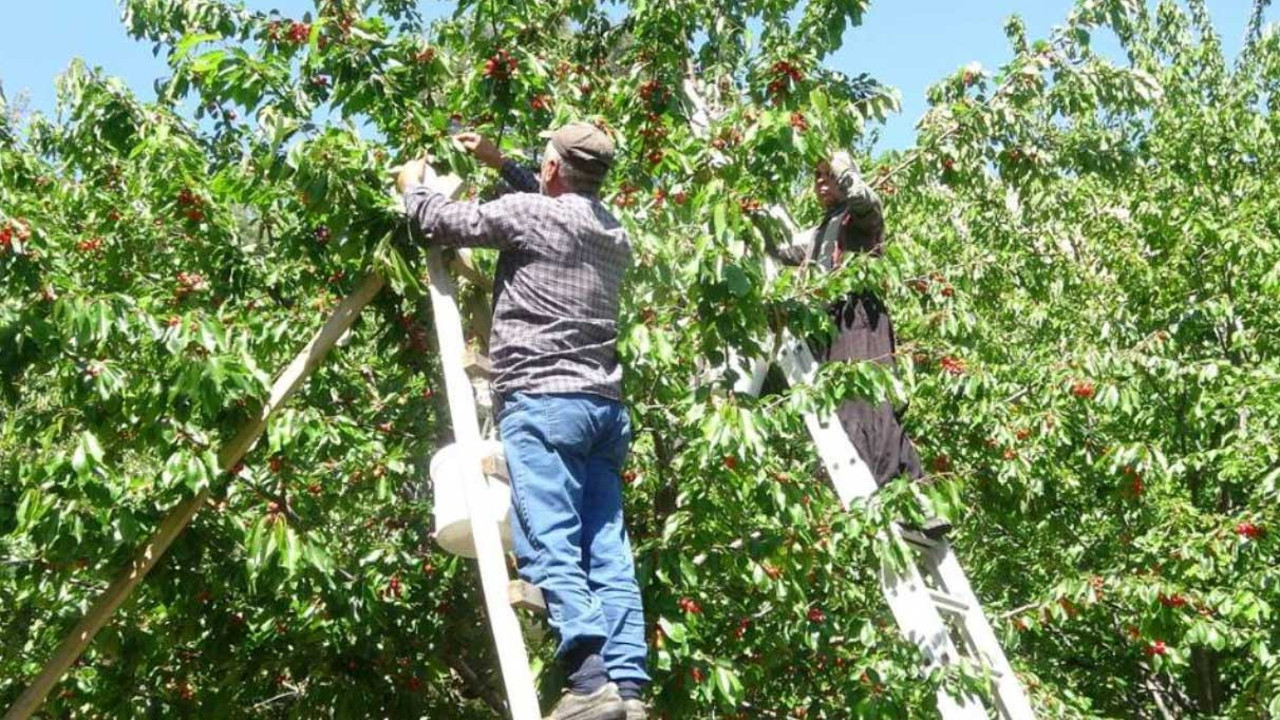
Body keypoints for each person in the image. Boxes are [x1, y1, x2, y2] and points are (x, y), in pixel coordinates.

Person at [397, 123, 649, 720]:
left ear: (555, 168)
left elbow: (438, 222)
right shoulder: (614, 231)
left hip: (545, 402)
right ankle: (628, 690)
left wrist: (414, 187)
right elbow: (549, 200)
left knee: (549, 539)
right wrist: (498, 161)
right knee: (606, 551)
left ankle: (588, 685)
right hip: (603, 411)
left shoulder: (533, 215)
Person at [768, 152, 950, 538]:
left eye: (827, 176)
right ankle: (905, 498)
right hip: (829, 323)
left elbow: (866, 201)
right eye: (815, 176)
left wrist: (845, 169)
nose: (820, 183)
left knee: (867, 406)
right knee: (848, 410)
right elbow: (782, 250)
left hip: (859, 316)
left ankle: (904, 501)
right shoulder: (819, 231)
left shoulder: (860, 216)